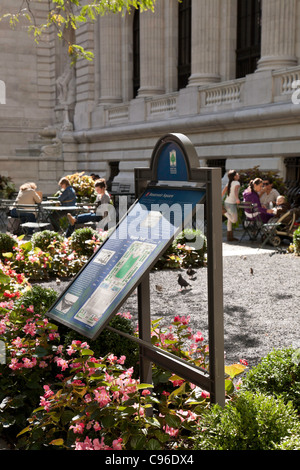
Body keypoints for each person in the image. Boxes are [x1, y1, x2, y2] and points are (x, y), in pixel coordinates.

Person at [222, 170, 240, 241]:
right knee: (234, 220)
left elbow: (223, 192)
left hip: (226, 202)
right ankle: (224, 212)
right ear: (235, 176)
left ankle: (230, 237)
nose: (239, 175)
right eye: (237, 174)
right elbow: (235, 191)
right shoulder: (237, 183)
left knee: (229, 220)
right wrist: (237, 199)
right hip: (231, 204)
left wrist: (219, 199)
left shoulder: (229, 183)